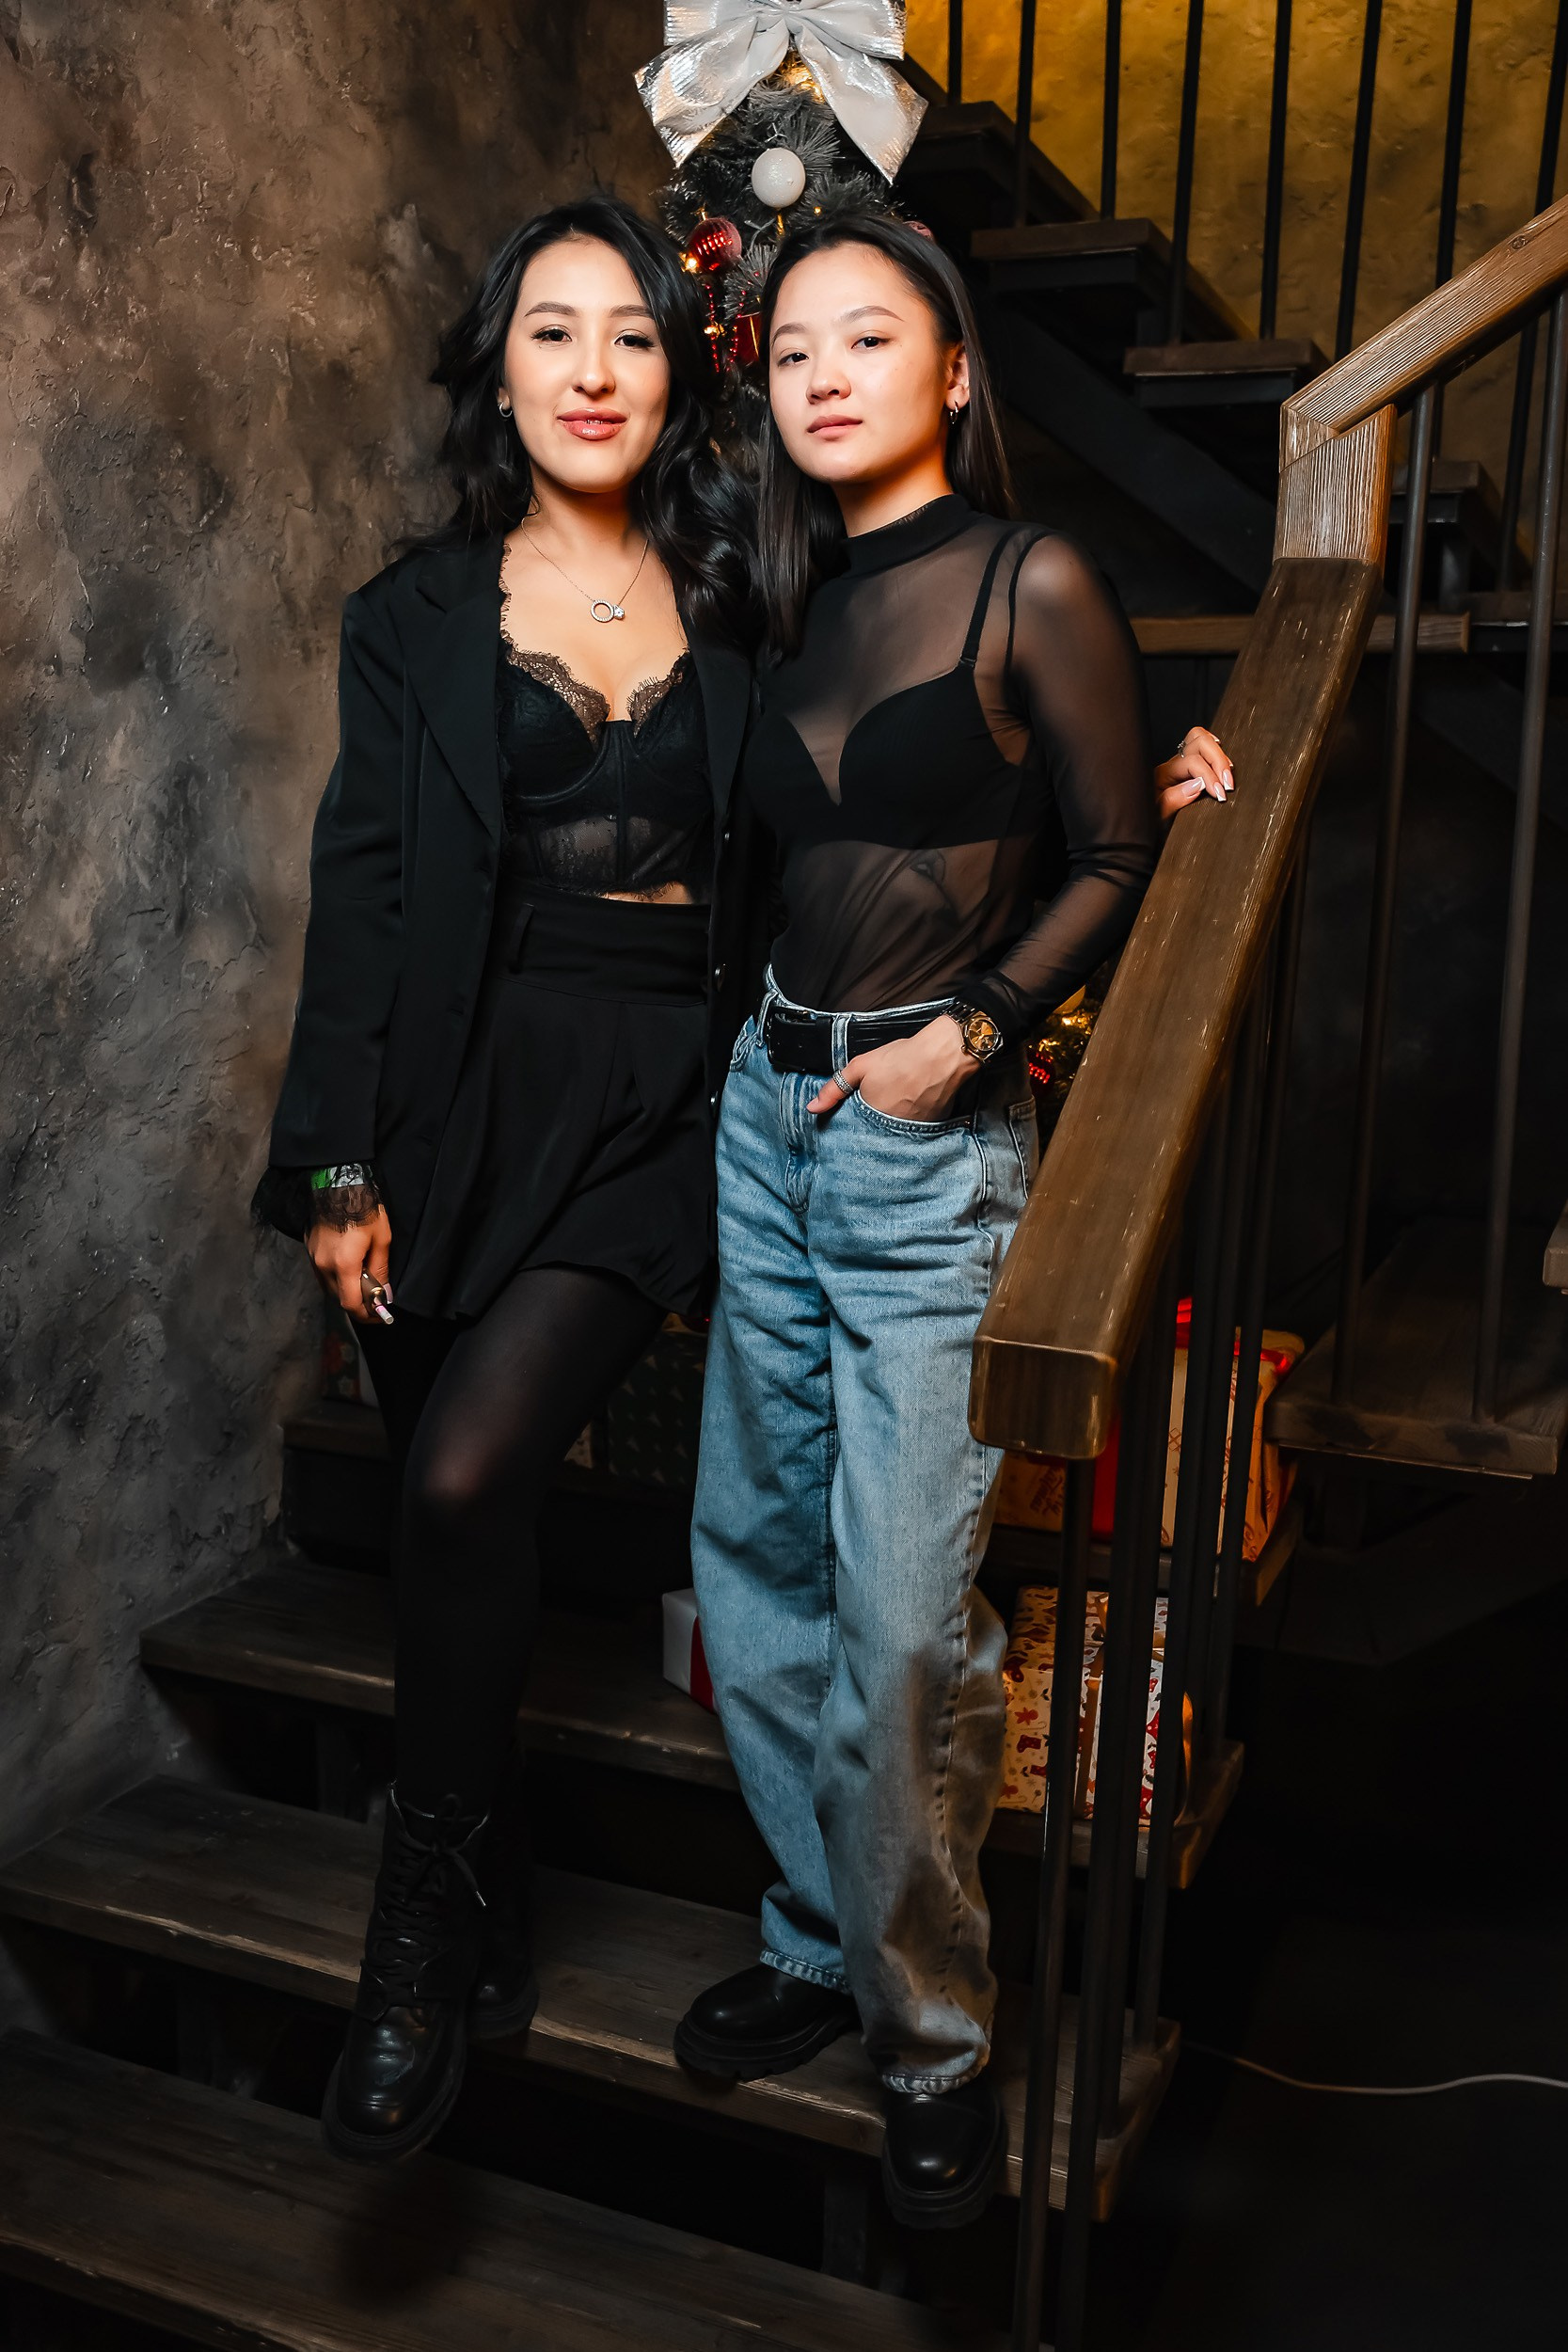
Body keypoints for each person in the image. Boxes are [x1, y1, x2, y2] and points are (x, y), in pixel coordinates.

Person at [673, 213, 1178, 2232]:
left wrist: (970, 1029)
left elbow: (1114, 850)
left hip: (920, 1145)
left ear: (955, 370)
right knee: (755, 1564)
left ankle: (935, 2031)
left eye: (868, 338)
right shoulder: (773, 589)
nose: (823, 374)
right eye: (792, 347)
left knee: (898, 1618)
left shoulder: (1029, 576)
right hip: (767, 1111)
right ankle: (819, 1937)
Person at [254, 195, 763, 2163]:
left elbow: (902, 757)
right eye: (554, 332)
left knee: (468, 1480)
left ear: (676, 373)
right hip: (449, 1108)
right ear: (501, 370)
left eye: (632, 333)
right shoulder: (414, 616)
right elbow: (364, 900)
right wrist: (338, 1164)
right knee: (448, 1523)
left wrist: (1120, 772)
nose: (594, 370)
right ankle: (492, 1898)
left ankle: (409, 1936)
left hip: (660, 1109)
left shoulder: (755, 595)